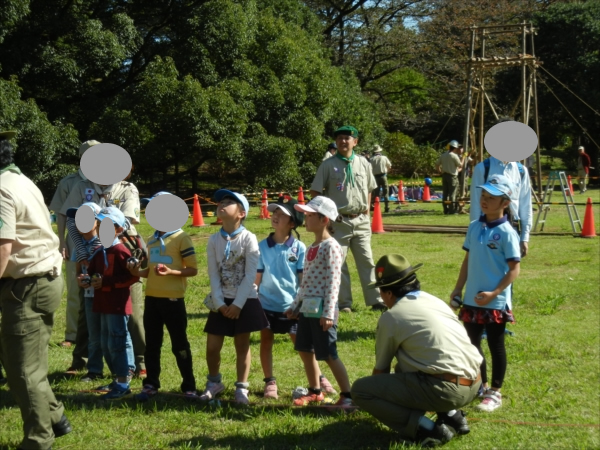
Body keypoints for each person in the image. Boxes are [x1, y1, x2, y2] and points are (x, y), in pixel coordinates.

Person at [351, 253, 483, 448]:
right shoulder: (434, 300)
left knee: (361, 390)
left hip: (448, 391)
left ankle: (427, 430)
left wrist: (373, 400)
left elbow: (381, 370)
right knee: (404, 370)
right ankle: (453, 417)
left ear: (388, 293)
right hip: (476, 383)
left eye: (380, 291)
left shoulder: (392, 316)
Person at [0, 130, 73, 449]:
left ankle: (38, 439)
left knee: (21, 371)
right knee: (24, 362)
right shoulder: (21, 181)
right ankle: (55, 416)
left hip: (25, 284)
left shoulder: (1, 189)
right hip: (43, 279)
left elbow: (3, 247)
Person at [59, 160, 147, 377]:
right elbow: (70, 217)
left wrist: (99, 232)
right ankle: (83, 361)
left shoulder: (127, 189)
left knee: (131, 313)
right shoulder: (81, 186)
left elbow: (126, 221)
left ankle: (139, 362)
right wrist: (70, 244)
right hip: (89, 255)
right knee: (86, 312)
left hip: (120, 249)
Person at [451, 174, 521, 413]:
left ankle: (495, 392)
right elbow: (467, 260)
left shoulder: (508, 232)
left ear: (505, 203)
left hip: (495, 301)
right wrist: (458, 288)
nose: (484, 200)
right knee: (472, 344)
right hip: (471, 299)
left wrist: (494, 293)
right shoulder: (474, 226)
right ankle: (481, 385)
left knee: (495, 344)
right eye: (483, 195)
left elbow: (514, 270)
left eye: (491, 197)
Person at [256, 196, 336, 399]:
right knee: (266, 341)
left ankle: (319, 379)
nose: (275, 217)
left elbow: (304, 280)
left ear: (293, 223)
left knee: (304, 347)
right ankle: (270, 382)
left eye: (282, 215)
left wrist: (298, 305)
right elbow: (257, 276)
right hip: (266, 305)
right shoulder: (261, 246)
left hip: (292, 308)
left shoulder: (300, 248)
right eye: (274, 213)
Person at [127, 192, 199, 401]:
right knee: (152, 344)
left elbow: (193, 270)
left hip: (173, 300)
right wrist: (135, 273)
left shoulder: (182, 238)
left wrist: (171, 272)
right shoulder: (151, 240)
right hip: (152, 299)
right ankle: (150, 384)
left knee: (180, 344)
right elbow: (148, 272)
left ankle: (189, 386)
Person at [201, 189, 268, 405]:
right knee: (212, 347)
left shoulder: (249, 238)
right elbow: (212, 273)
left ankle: (242, 387)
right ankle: (214, 382)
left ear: (241, 213)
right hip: (221, 301)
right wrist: (220, 303)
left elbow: (251, 275)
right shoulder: (213, 240)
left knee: (242, 345)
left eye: (229, 202)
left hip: (245, 300)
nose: (222, 204)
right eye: (220, 202)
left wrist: (238, 304)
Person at [285, 197, 353, 408]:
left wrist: (329, 313)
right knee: (304, 349)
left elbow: (334, 281)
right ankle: (315, 391)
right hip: (307, 309)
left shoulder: (331, 246)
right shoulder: (311, 246)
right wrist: (295, 304)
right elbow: (305, 282)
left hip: (323, 311)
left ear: (324, 220)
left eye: (310, 215)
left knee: (329, 354)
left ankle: (347, 396)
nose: (305, 218)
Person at [310, 125, 386, 312]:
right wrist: (325, 217)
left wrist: (367, 211)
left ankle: (375, 300)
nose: (344, 141)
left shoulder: (364, 163)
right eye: (340, 138)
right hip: (338, 221)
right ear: (336, 142)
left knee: (367, 260)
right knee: (339, 262)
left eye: (347, 138)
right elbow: (315, 191)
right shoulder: (328, 164)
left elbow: (369, 188)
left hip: (360, 220)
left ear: (355, 141)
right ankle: (344, 303)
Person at [77, 207, 139, 399]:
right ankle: (117, 378)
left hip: (117, 305)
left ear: (118, 229)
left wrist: (107, 282)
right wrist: (86, 280)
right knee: (106, 342)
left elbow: (131, 277)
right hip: (102, 304)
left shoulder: (121, 250)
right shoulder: (99, 251)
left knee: (117, 341)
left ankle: (123, 382)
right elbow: (93, 272)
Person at [49, 139, 99, 351]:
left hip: (100, 240)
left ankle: (99, 332)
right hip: (74, 240)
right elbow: (60, 213)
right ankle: (72, 334)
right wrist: (61, 241)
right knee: (75, 289)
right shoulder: (68, 182)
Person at [65, 202, 105, 382]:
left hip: (107, 293)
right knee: (89, 328)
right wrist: (80, 279)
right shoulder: (80, 244)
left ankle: (124, 368)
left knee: (111, 330)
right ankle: (91, 367)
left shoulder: (104, 241)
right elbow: (78, 267)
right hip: (87, 293)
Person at [469, 150, 532, 258]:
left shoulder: (521, 170)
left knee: (510, 268)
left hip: (513, 227)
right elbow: (475, 203)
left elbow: (526, 205)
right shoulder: (482, 168)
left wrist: (524, 238)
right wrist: (475, 233)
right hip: (487, 226)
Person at [436, 140, 464, 215]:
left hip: (444, 176)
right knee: (452, 194)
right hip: (452, 177)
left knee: (445, 193)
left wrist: (439, 172)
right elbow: (460, 165)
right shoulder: (454, 156)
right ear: (455, 148)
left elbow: (437, 164)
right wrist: (463, 158)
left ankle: (445, 210)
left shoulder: (443, 155)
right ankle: (452, 210)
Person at [370, 145, 392, 213]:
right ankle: (387, 207)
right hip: (383, 176)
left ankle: (376, 207)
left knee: (376, 193)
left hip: (375, 177)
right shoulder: (384, 157)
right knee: (386, 192)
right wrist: (387, 172)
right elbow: (389, 166)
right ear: (380, 151)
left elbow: (369, 169)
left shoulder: (371, 159)